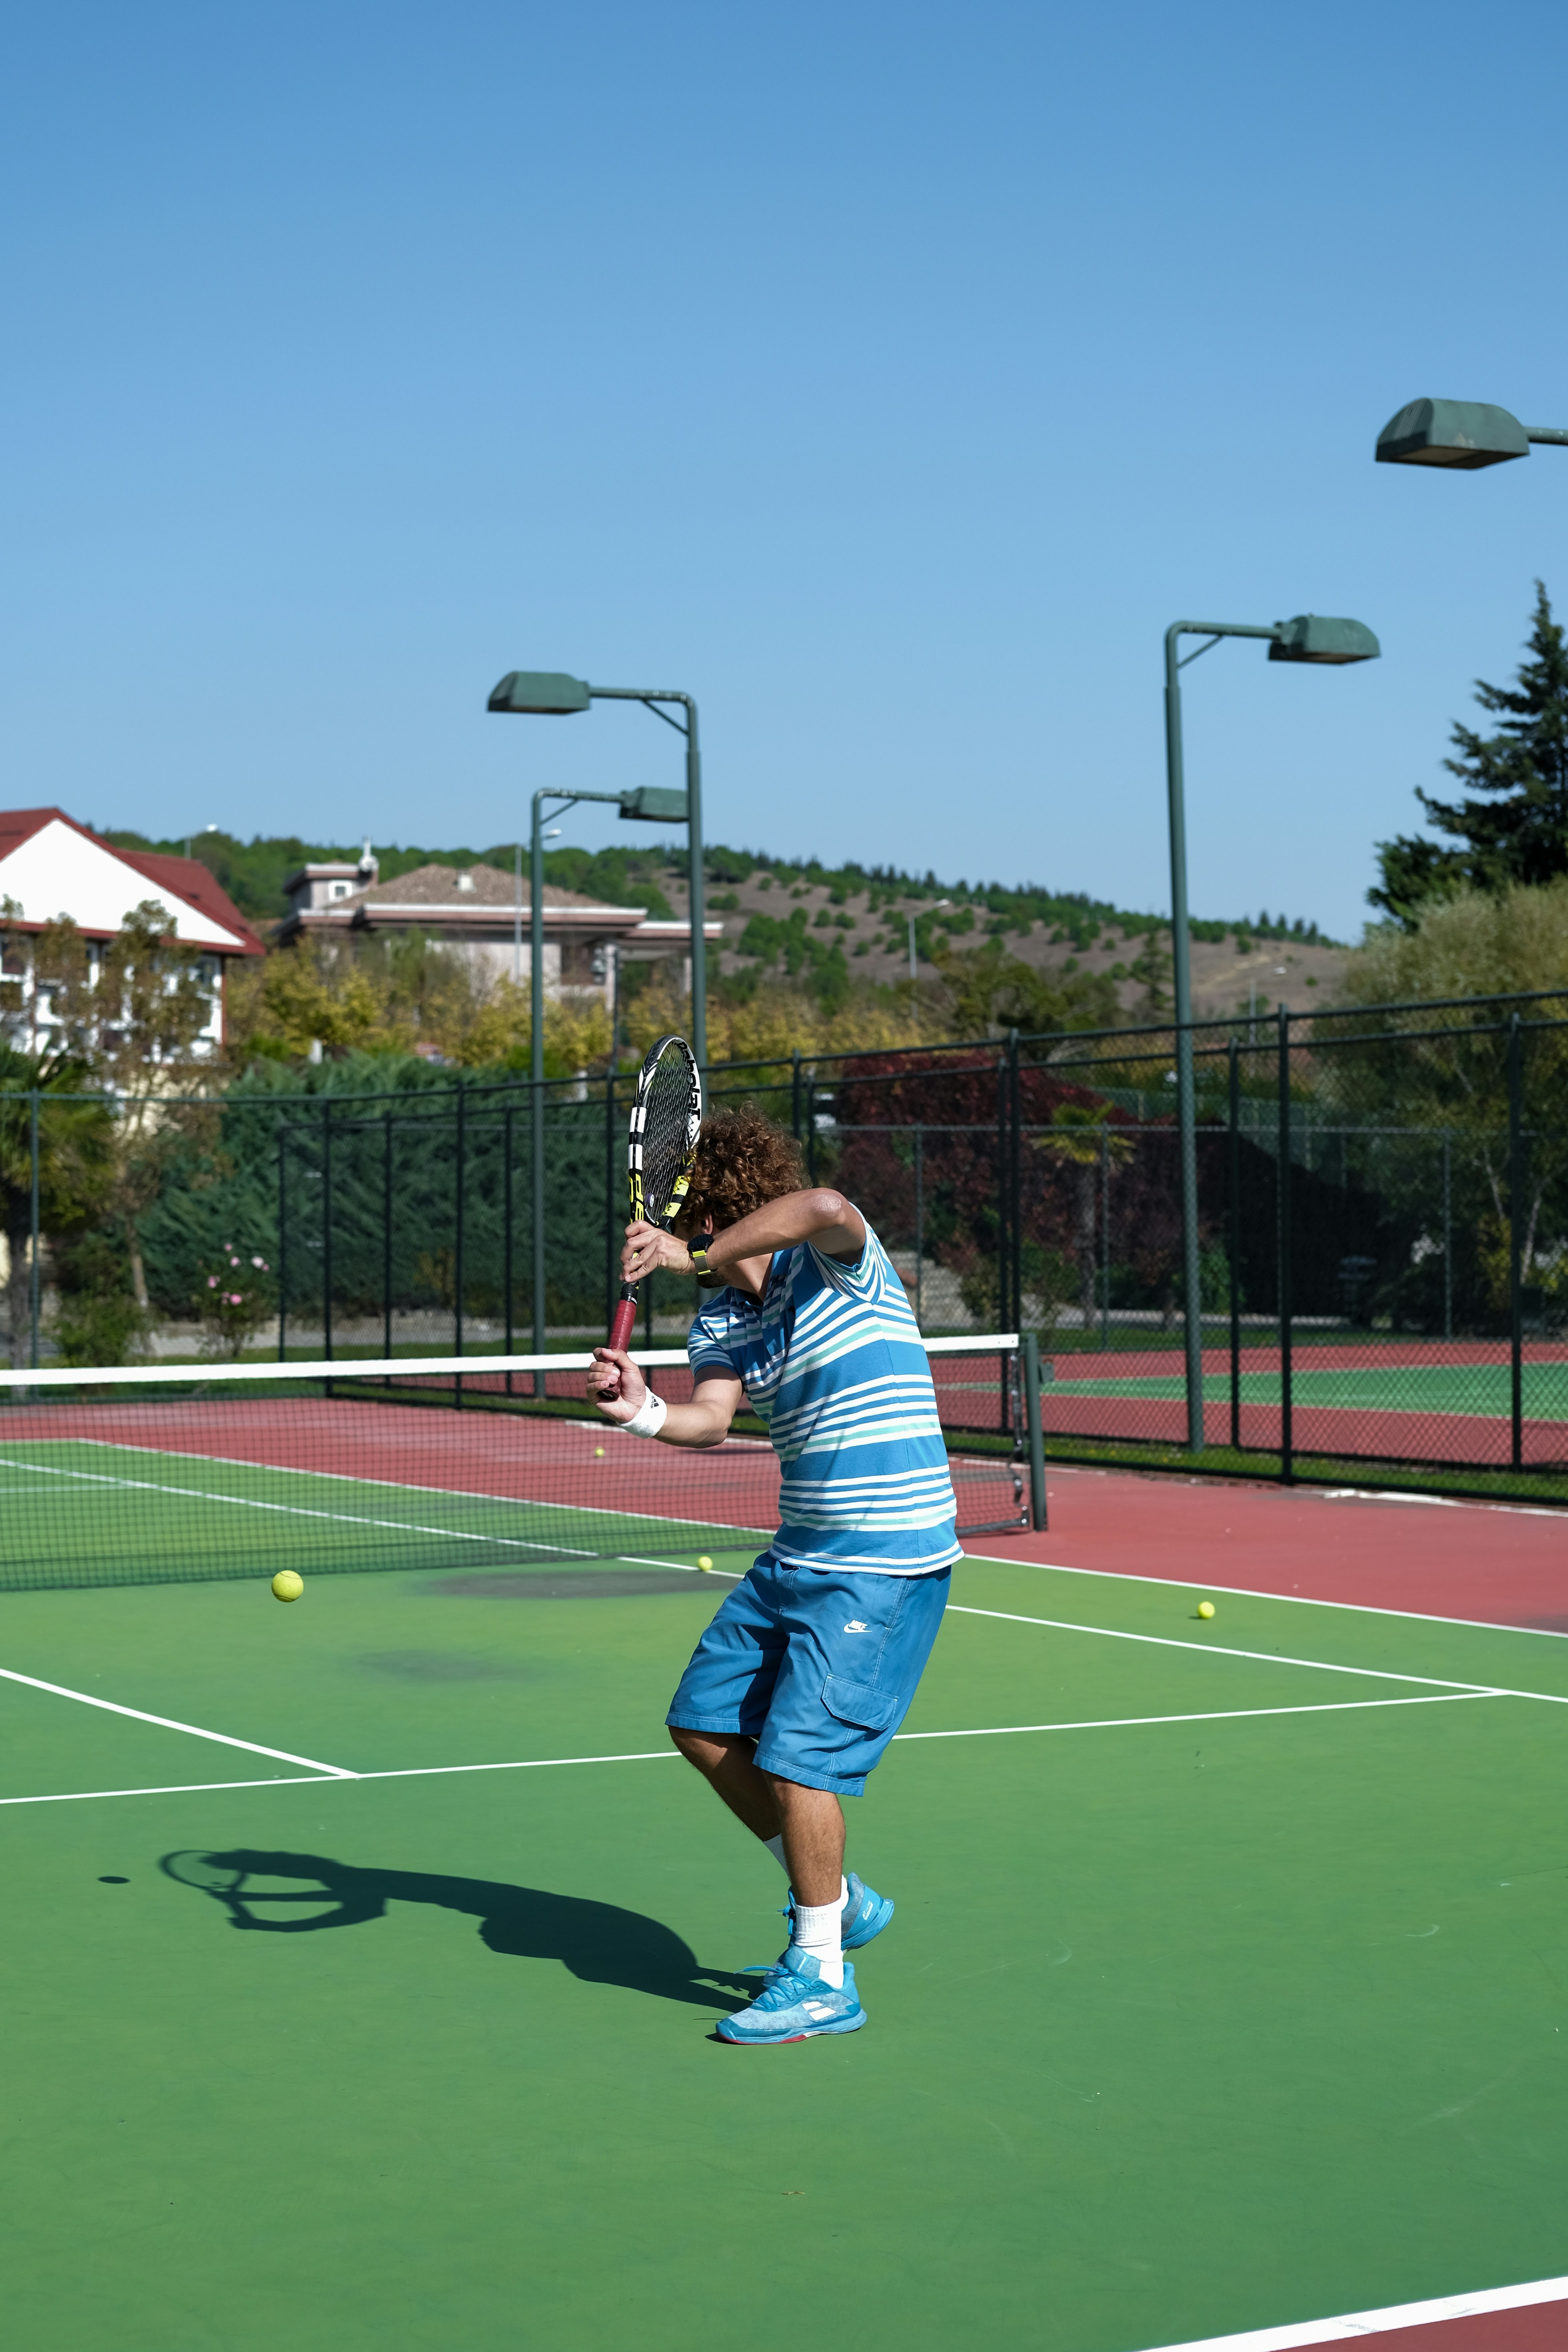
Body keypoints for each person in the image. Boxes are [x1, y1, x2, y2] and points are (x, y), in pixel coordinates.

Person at [587, 1108, 959, 2045]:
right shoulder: (719, 1315)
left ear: (712, 1209)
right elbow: (709, 1419)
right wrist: (640, 1409)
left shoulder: (836, 1259)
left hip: (883, 1556)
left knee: (800, 1757)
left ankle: (823, 1974)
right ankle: (836, 1893)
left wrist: (685, 1250)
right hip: (799, 1554)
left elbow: (824, 1203)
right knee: (702, 1720)